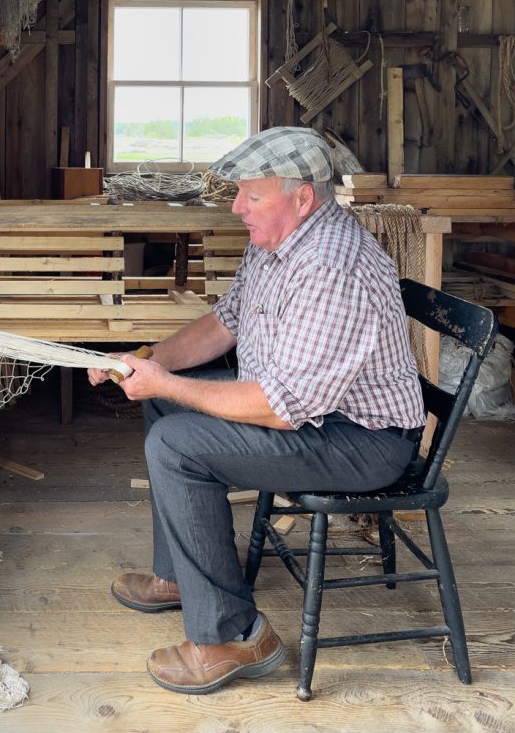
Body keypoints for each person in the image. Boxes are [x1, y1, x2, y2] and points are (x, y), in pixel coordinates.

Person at [87, 126, 426, 695]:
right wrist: (143, 361)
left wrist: (167, 383)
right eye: (240, 193)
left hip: (359, 441)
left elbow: (281, 406)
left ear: (302, 199)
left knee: (175, 444)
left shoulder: (330, 265)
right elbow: (225, 323)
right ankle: (181, 578)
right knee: (165, 409)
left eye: (252, 196)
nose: (238, 207)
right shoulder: (277, 243)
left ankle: (233, 636)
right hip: (310, 413)